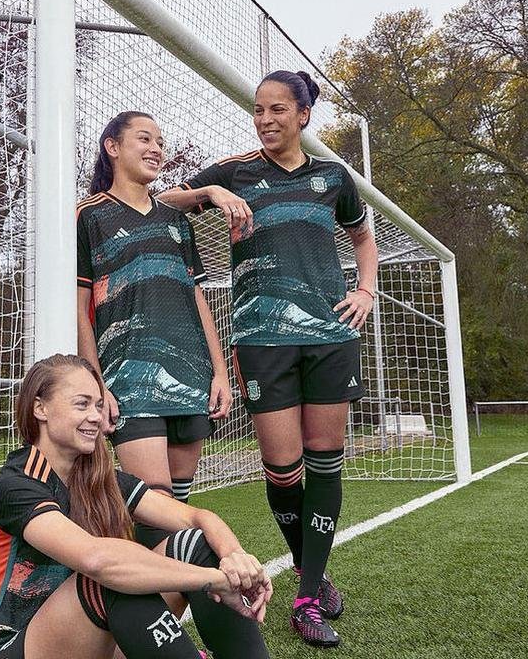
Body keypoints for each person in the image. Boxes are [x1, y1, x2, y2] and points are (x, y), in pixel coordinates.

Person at [157, 70, 378, 649]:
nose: (265, 119)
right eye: (259, 109)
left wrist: (366, 289)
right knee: (282, 470)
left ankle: (306, 597)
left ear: (303, 115)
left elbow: (363, 236)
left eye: (278, 109)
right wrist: (209, 194)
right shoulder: (236, 171)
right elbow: (162, 199)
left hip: (330, 334)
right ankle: (311, 570)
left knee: (325, 462)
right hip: (261, 339)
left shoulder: (334, 176)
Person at [0, 354, 272, 659]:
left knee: (193, 543)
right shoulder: (17, 483)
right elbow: (97, 561)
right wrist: (214, 579)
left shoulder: (98, 478)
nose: (95, 416)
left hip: (87, 642)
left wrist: (236, 559)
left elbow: (197, 517)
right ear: (40, 408)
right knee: (109, 580)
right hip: (9, 650)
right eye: (82, 404)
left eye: (98, 405)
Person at [76, 111, 231, 516]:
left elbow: (197, 298)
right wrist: (96, 385)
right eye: (145, 139)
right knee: (153, 507)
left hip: (190, 376)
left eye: (160, 142)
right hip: (129, 381)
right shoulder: (88, 215)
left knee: (177, 504)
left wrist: (219, 373)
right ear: (112, 147)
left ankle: (168, 565)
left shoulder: (176, 220)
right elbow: (79, 309)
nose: (156, 149)